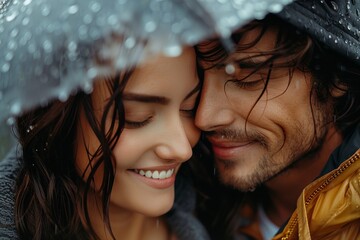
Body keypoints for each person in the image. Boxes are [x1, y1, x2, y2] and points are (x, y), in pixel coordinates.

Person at [0, 45, 210, 240]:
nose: (182, 150)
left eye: (189, 108)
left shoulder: (225, 214)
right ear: (61, 116)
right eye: (137, 117)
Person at [193, 0, 360, 239]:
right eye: (198, 77)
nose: (204, 117)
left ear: (337, 77)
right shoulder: (181, 207)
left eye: (248, 78)